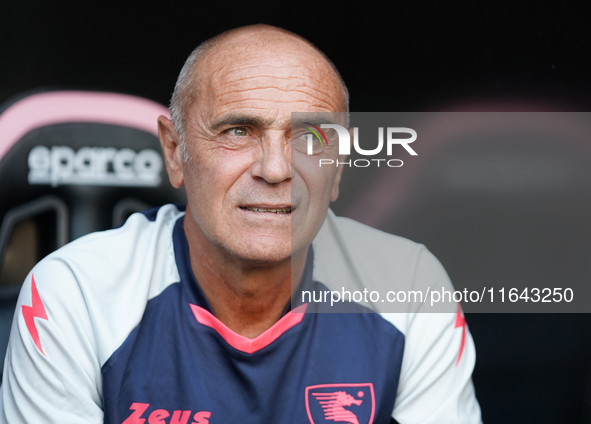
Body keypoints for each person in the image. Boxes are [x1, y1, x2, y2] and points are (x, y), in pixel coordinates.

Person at [0, 25, 481, 423]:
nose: (275, 169)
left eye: (311, 136)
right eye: (238, 131)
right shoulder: (74, 293)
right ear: (175, 152)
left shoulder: (410, 286)